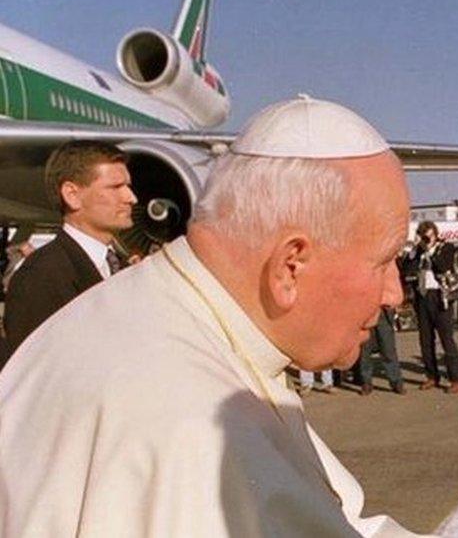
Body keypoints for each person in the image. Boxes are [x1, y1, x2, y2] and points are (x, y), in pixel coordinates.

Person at [0, 96, 434, 537]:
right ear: (290, 267)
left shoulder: (171, 320)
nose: (394, 294)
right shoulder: (193, 433)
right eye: (383, 261)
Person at [3, 141, 136, 350]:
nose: (131, 198)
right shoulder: (40, 277)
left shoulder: (124, 269)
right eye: (115, 187)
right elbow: (35, 370)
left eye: (128, 186)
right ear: (72, 195)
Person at [402, 221, 458, 393]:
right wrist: (414, 252)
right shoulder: (418, 251)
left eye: (428, 236)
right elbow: (407, 269)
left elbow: (443, 265)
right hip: (422, 296)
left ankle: (457, 378)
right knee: (425, 340)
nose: (426, 239)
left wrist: (430, 250)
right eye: (423, 235)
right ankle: (432, 375)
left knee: (447, 339)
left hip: (439, 296)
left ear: (435, 234)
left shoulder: (445, 248)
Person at [357, 305, 406, 395]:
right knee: (365, 350)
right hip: (365, 313)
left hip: (383, 311)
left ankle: (396, 381)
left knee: (388, 349)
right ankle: (366, 382)